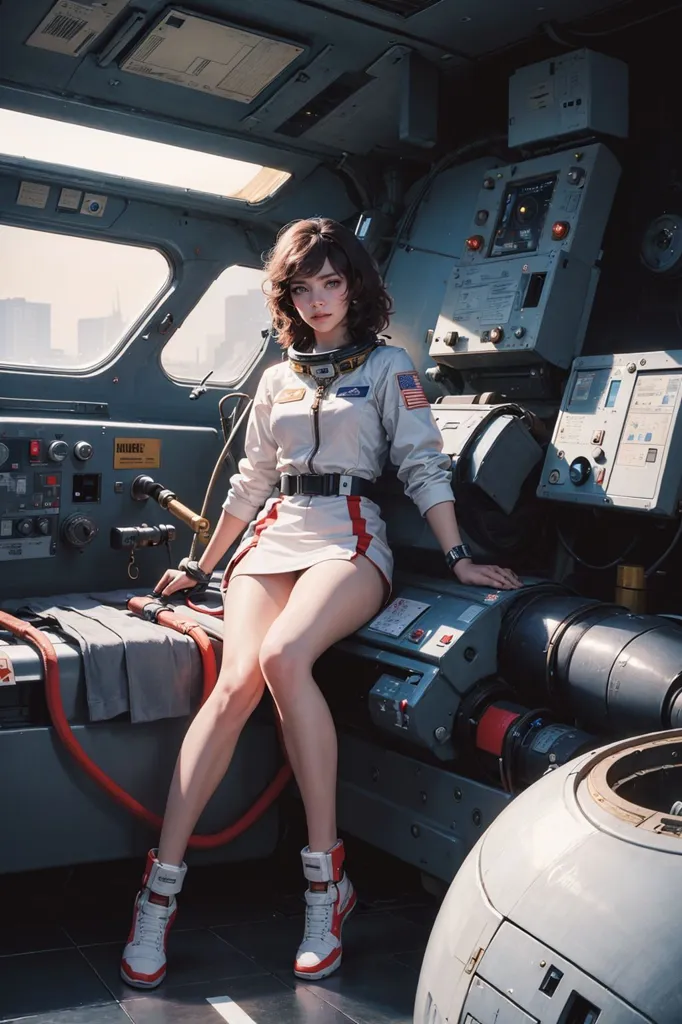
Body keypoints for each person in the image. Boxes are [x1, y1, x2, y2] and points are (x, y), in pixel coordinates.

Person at [120, 217, 522, 990]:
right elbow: (251, 485)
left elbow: (423, 467)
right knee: (235, 684)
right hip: (272, 540)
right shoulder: (276, 378)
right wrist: (202, 567)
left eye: (331, 283)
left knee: (281, 657)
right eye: (303, 288)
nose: (317, 300)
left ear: (356, 286)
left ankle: (324, 888)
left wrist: (461, 556)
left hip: (350, 538)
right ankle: (157, 894)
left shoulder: (390, 366)